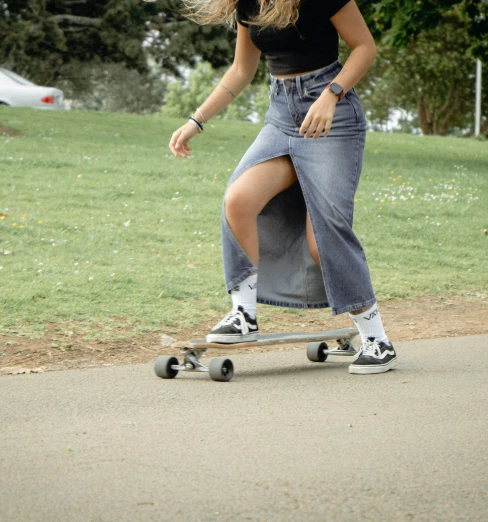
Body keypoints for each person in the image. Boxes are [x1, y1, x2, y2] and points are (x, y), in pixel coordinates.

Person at [168, 0, 396, 375]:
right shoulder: (248, 2)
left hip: (332, 118)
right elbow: (242, 69)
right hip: (281, 116)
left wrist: (332, 94)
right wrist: (196, 120)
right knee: (238, 198)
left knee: (322, 239)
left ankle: (377, 338)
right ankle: (244, 314)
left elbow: (365, 47)